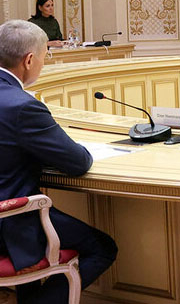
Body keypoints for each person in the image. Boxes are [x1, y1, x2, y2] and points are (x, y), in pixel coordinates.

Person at [0, 20, 117, 303]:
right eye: (44, 58)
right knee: (102, 248)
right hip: (10, 221)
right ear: (29, 60)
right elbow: (78, 162)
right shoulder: (23, 106)